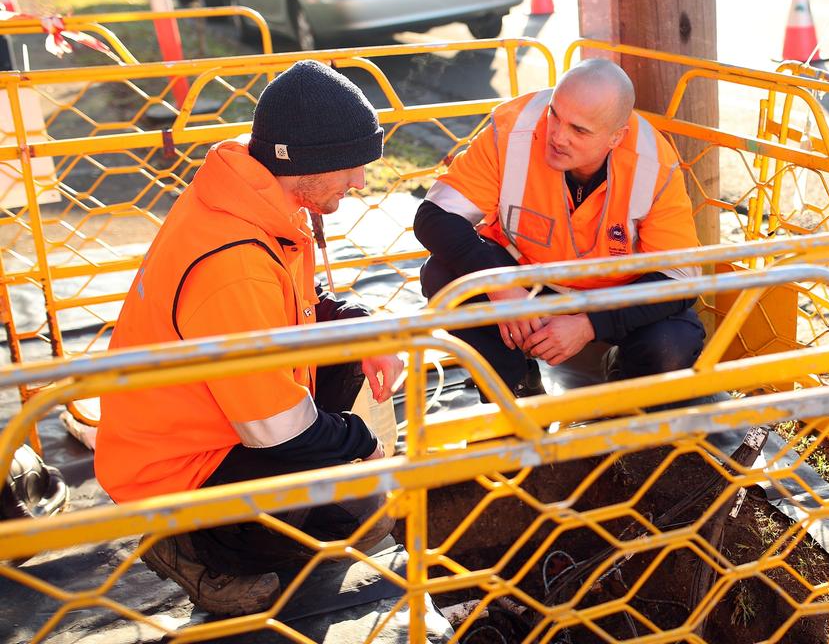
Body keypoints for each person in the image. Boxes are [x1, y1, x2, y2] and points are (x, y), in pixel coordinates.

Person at [95, 60, 403, 615]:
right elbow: (277, 433)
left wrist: (363, 323)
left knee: (345, 468)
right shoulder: (233, 262)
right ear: (307, 160)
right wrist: (362, 445)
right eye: (351, 165)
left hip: (224, 419)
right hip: (178, 469)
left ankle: (279, 519)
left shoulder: (258, 196)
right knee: (319, 476)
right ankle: (188, 546)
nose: (360, 181)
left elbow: (291, 307)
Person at [415, 58, 704, 396]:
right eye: (554, 113)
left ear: (616, 137)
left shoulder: (654, 163)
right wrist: (502, 287)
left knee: (672, 345)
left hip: (613, 298)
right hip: (528, 282)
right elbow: (433, 217)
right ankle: (517, 388)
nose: (557, 136)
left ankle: (621, 397)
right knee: (441, 276)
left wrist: (590, 324)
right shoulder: (512, 127)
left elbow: (679, 279)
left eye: (579, 130)